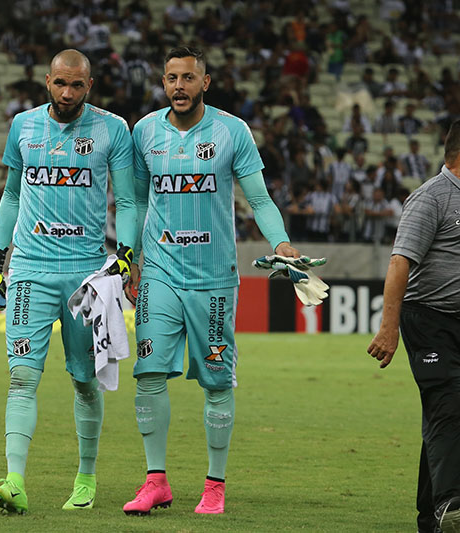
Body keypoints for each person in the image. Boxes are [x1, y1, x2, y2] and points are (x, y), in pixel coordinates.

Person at [124, 45, 303, 516]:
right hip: (160, 270)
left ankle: (214, 484)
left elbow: (259, 200)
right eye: (170, 78)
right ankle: (155, 481)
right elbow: (137, 203)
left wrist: (281, 243)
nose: (178, 86)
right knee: (147, 373)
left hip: (213, 277)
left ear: (205, 82)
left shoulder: (231, 132)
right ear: (162, 84)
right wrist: (131, 259)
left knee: (217, 381)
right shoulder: (145, 132)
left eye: (187, 78)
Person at [0, 49, 137, 514]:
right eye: (60, 84)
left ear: (89, 86)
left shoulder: (113, 129)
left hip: (85, 276)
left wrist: (126, 256)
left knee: (85, 381)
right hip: (29, 269)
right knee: (21, 378)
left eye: (77, 86)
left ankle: (86, 478)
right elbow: (11, 195)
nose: (67, 93)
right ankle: (14, 481)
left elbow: (127, 201)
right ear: (47, 81)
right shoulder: (23, 126)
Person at [367, 120, 460, 533]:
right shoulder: (430, 198)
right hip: (428, 319)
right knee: (448, 403)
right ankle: (452, 506)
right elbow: (400, 262)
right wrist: (388, 327)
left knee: (447, 413)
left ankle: (431, 517)